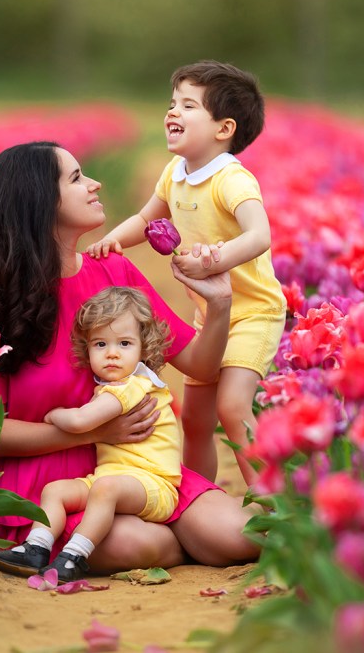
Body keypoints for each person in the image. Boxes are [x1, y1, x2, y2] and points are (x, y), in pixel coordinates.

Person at [0, 140, 258, 575]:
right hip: (44, 478)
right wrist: (92, 432)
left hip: (133, 465)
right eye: (77, 178)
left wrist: (218, 306)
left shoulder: (113, 273)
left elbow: (198, 365)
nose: (95, 184)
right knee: (132, 541)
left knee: (237, 535)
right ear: (40, 202)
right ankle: (176, 542)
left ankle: (192, 537)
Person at [86, 60, 287, 487]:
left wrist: (214, 261)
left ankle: (274, 506)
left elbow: (259, 235)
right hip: (209, 314)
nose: (172, 112)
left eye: (188, 105)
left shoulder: (232, 180)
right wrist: (113, 242)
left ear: (223, 128)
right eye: (172, 103)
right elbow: (145, 219)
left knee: (232, 408)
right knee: (195, 418)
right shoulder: (174, 173)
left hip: (254, 313)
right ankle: (198, 499)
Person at [0, 286, 182, 582]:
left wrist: (54, 416)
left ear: (144, 348)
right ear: (87, 349)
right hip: (113, 477)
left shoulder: (134, 385)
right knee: (56, 491)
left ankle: (75, 555)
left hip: (154, 484)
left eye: (125, 344)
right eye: (101, 344)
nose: (112, 353)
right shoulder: (109, 387)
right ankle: (35, 547)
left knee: (106, 489)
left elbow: (80, 422)